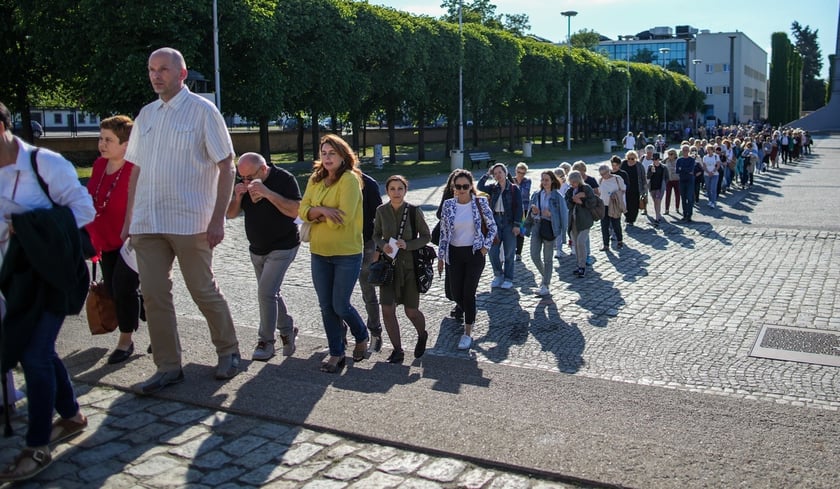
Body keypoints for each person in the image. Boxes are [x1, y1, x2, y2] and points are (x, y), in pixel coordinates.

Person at [122, 47, 241, 394]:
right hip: (148, 221)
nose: (156, 75)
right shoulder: (146, 115)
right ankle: (168, 366)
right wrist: (129, 219)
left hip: (191, 221)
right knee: (155, 296)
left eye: (163, 69)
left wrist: (218, 218)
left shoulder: (203, 111)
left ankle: (229, 351)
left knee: (202, 289)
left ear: (182, 74)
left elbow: (226, 165)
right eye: (151, 70)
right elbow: (135, 170)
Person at [0, 101, 94, 481]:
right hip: (14, 277)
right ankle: (70, 415)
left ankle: (36, 446)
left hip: (53, 275)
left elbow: (84, 211)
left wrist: (28, 227)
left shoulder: (46, 165)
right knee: (35, 350)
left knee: (35, 355)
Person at [299, 134, 369, 373]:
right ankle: (336, 352)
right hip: (318, 251)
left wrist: (316, 214)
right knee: (326, 306)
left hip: (346, 253)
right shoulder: (315, 179)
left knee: (340, 305)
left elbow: (342, 219)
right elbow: (302, 209)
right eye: (324, 153)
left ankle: (361, 334)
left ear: (343, 156)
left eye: (332, 153)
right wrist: (323, 210)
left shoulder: (349, 179)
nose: (327, 158)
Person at [226, 152, 301, 361]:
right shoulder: (244, 183)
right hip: (257, 249)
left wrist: (267, 193)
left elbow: (296, 210)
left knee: (266, 293)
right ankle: (287, 328)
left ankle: (265, 341)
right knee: (269, 293)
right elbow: (230, 214)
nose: (247, 181)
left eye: (250, 177)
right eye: (243, 178)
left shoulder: (284, 179)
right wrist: (238, 195)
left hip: (283, 246)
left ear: (264, 169)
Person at [84, 115, 142, 364]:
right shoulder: (99, 165)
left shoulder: (135, 169)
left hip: (132, 240)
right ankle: (146, 308)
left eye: (109, 140)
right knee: (115, 289)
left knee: (122, 286)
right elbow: (90, 197)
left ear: (126, 145)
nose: (102, 144)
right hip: (105, 238)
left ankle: (125, 341)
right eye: (101, 138)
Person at [373, 175, 431, 363]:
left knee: (411, 311)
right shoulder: (381, 211)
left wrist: (408, 244)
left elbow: (426, 236)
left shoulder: (414, 211)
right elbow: (376, 235)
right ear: (387, 191)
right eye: (392, 189)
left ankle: (422, 334)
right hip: (389, 267)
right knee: (387, 309)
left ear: (405, 190)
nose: (396, 192)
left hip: (409, 268)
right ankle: (397, 350)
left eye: (400, 188)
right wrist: (383, 245)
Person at [437, 169, 496, 350]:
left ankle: (467, 332)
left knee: (468, 292)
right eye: (458, 186)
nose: (461, 189)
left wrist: (485, 248)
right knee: (455, 293)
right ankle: (471, 312)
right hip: (454, 254)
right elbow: (444, 233)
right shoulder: (448, 205)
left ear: (471, 186)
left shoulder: (480, 202)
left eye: (465, 186)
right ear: (453, 187)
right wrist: (441, 256)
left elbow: (493, 227)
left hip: (474, 254)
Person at [477, 163, 522, 290]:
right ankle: (498, 275)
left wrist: (517, 225)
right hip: (495, 221)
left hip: (509, 222)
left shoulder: (513, 188)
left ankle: (508, 278)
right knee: (493, 251)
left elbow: (519, 207)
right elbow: (479, 187)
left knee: (509, 252)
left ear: (505, 173)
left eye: (500, 172)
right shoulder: (493, 188)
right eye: (495, 173)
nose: (498, 175)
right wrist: (487, 174)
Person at [526, 171, 565, 296]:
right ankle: (546, 276)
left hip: (550, 227)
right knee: (534, 255)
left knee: (548, 258)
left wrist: (551, 214)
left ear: (552, 181)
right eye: (542, 180)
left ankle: (545, 285)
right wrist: (535, 212)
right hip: (537, 226)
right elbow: (530, 213)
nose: (544, 182)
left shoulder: (557, 197)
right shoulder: (536, 194)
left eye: (546, 180)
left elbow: (563, 215)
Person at [358, 172, 384, 352]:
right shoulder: (330, 180)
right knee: (337, 294)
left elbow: (379, 218)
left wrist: (378, 248)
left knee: (367, 289)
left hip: (365, 243)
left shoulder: (368, 183)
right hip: (340, 244)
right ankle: (339, 335)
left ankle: (375, 331)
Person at [564, 171, 598, 278]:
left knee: (581, 242)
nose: (573, 184)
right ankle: (579, 265)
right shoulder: (570, 191)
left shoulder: (586, 188)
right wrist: (573, 200)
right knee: (576, 244)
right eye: (571, 182)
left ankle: (582, 266)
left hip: (585, 221)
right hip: (573, 221)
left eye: (574, 182)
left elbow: (593, 202)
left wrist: (582, 201)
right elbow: (567, 204)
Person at [597, 163, 625, 251]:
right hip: (603, 205)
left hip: (614, 205)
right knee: (604, 226)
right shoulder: (601, 180)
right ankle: (606, 245)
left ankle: (619, 241)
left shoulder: (617, 179)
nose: (603, 176)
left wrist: (616, 194)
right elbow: (599, 192)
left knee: (616, 224)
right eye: (601, 174)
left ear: (608, 171)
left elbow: (623, 189)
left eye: (604, 173)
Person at [619, 150, 646, 227]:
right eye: (629, 158)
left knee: (635, 204)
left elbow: (643, 177)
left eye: (632, 158)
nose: (630, 160)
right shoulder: (623, 163)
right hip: (625, 187)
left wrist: (644, 188)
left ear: (636, 158)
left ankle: (632, 219)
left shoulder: (639, 165)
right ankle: (627, 216)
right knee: (625, 203)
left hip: (636, 187)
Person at [512, 162, 531, 262]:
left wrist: (515, 186)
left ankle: (518, 253)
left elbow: (524, 193)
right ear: (516, 171)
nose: (520, 175)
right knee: (513, 230)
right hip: (513, 209)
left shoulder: (527, 181)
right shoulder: (511, 180)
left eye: (523, 173)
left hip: (524, 209)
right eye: (519, 172)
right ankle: (512, 250)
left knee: (521, 231)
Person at [675, 144, 696, 223]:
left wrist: (682, 169)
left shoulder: (691, 160)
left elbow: (691, 170)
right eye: (684, 150)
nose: (685, 152)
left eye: (687, 150)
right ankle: (684, 214)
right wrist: (685, 169)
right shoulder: (679, 160)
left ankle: (689, 215)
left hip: (690, 180)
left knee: (689, 198)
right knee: (683, 198)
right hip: (682, 180)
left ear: (689, 151)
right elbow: (677, 170)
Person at [646, 153, 669, 225]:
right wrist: (651, 172)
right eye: (654, 160)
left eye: (656, 159)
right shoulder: (650, 167)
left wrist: (664, 184)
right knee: (655, 202)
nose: (655, 161)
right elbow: (648, 177)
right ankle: (658, 214)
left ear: (659, 160)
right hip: (652, 187)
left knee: (657, 201)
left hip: (660, 187)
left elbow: (667, 177)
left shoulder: (663, 167)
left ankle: (657, 217)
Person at [663, 148, 680, 215]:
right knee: (667, 195)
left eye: (671, 154)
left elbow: (678, 169)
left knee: (677, 194)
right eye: (669, 154)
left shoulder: (678, 161)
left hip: (676, 179)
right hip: (669, 180)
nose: (670, 155)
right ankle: (667, 209)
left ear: (675, 154)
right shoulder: (666, 161)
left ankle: (677, 208)